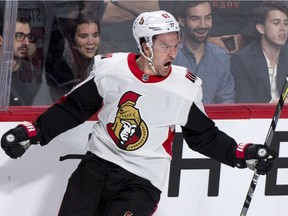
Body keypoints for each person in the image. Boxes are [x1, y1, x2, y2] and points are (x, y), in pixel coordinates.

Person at [1, 10, 277, 216]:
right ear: (145, 45)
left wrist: (242, 154)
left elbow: (203, 136)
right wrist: (33, 131)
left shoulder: (183, 87)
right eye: (164, 45)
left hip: (140, 181)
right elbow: (73, 108)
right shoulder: (112, 70)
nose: (172, 52)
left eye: (175, 43)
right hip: (95, 167)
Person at [173, 1, 234, 104]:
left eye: (207, 18)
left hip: (211, 119)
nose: (203, 25)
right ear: (182, 20)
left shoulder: (221, 58)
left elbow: (226, 104)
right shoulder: (168, 57)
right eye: (195, 19)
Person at [231, 1, 288, 103]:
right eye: (276, 23)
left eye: (286, 23)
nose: (283, 29)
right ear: (261, 28)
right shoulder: (243, 61)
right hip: (259, 117)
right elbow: (244, 103)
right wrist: (271, 105)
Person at [45, 8, 101, 101]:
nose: (91, 42)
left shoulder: (101, 58)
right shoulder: (59, 67)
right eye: (83, 36)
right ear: (71, 38)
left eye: (95, 35)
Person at [10, 13, 44, 106]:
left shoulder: (34, 75)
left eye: (28, 36)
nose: (26, 42)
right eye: (19, 36)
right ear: (1, 38)